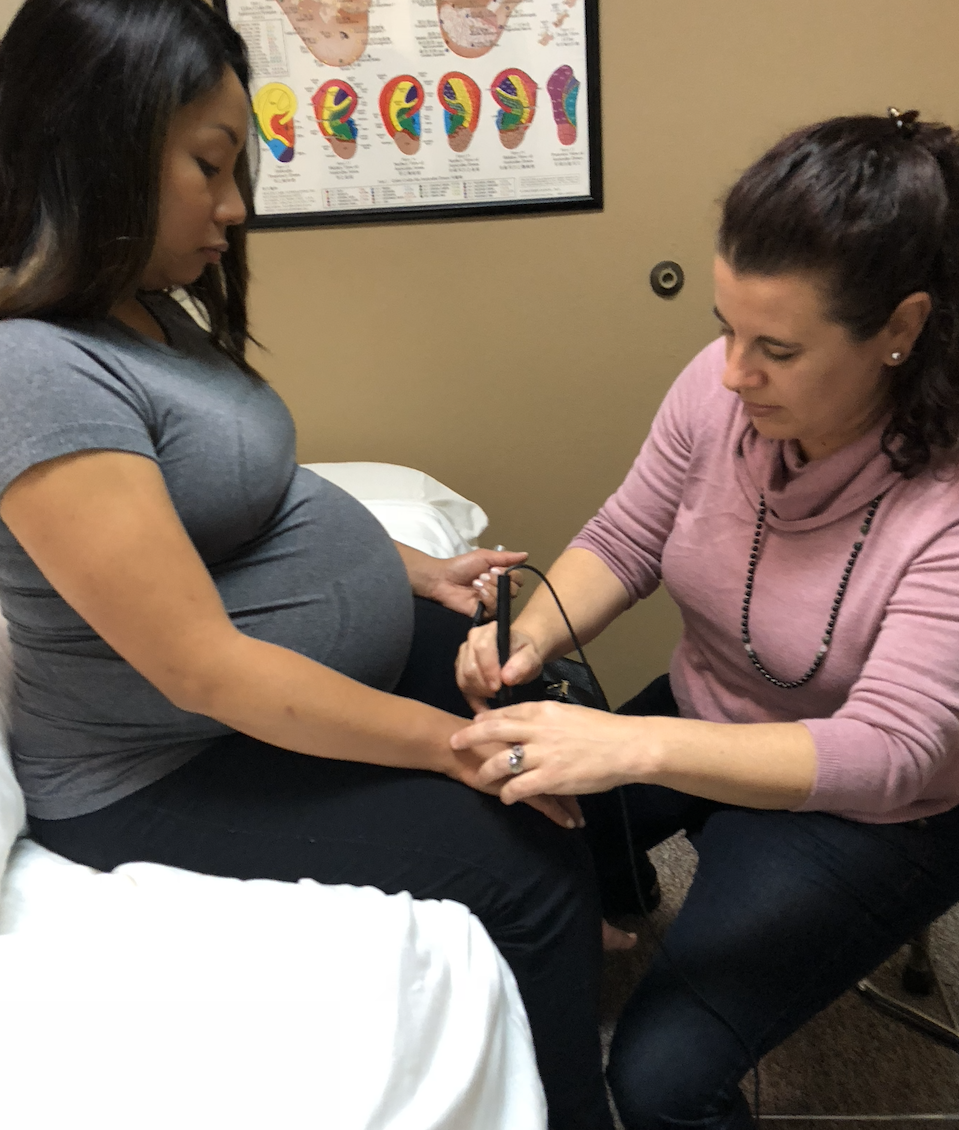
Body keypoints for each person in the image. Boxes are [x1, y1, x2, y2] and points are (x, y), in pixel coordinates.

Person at [0, 2, 613, 1126]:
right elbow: (204, 670)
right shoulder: (30, 371)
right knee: (521, 861)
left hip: (254, 699)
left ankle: (602, 946)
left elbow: (249, 492)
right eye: (210, 165)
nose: (236, 206)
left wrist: (409, 568)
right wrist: (449, 750)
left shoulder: (142, 308)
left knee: (552, 698)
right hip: (158, 765)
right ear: (95, 144)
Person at [454, 109, 959, 1129]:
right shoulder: (722, 388)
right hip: (711, 712)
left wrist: (630, 748)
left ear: (901, 330)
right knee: (491, 816)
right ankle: (619, 896)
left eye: (776, 348)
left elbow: (889, 751)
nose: (732, 373)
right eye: (726, 329)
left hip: (882, 817)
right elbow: (627, 536)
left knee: (660, 1086)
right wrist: (531, 635)